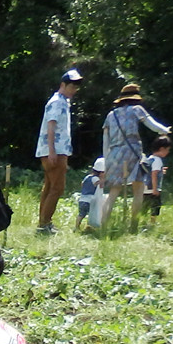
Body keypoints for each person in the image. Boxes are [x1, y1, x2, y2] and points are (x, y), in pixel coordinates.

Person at [98, 83, 172, 231]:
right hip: (133, 153)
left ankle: (104, 226)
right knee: (138, 189)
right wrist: (165, 131)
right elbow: (153, 125)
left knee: (113, 192)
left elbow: (105, 140)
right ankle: (133, 225)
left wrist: (107, 161)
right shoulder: (137, 110)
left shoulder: (111, 115)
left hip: (113, 154)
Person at [36, 69, 83, 234]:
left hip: (55, 149)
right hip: (55, 150)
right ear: (63, 85)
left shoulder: (62, 101)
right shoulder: (57, 102)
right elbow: (51, 124)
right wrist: (52, 150)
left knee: (49, 186)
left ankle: (43, 222)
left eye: (76, 87)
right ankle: (45, 224)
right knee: (57, 188)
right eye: (72, 86)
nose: (74, 90)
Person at [141, 136, 171, 219]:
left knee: (145, 206)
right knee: (155, 206)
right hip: (153, 188)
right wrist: (155, 189)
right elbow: (154, 174)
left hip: (145, 187)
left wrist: (161, 171)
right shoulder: (158, 160)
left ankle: (142, 220)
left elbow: (150, 171)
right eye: (167, 149)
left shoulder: (150, 158)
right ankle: (152, 223)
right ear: (162, 149)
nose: (168, 152)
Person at [76, 158, 106, 230]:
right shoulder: (96, 179)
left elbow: (82, 184)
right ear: (101, 173)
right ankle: (90, 226)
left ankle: (77, 226)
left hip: (82, 199)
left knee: (81, 214)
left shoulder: (88, 177)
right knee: (91, 213)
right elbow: (100, 185)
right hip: (90, 200)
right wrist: (103, 180)